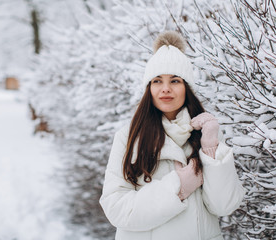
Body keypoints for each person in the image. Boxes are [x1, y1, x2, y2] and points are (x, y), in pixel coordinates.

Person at [99, 30, 245, 240]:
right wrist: (177, 188)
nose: (165, 89)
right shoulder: (129, 137)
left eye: (175, 80)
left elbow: (224, 206)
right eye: (157, 81)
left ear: (187, 87)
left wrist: (211, 149)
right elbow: (116, 208)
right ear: (148, 88)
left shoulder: (204, 135)